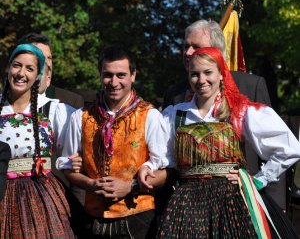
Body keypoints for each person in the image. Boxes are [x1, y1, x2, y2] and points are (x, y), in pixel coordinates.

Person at [140, 47, 300, 238]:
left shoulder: (241, 111)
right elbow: (165, 156)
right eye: (195, 74)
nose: (201, 80)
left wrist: (258, 179)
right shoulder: (176, 114)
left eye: (208, 73)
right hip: (187, 205)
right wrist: (149, 165)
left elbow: (289, 148)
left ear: (221, 74)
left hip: (231, 203)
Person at [162, 19, 288, 210]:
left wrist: (274, 206)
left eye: (196, 47)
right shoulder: (174, 95)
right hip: (189, 207)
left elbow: (275, 150)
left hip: (243, 203)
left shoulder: (251, 87)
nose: (188, 52)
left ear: (217, 54)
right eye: (186, 46)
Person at [56, 46, 168, 238]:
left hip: (138, 217)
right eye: (108, 75)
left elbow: (166, 172)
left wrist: (130, 186)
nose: (114, 82)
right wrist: (91, 184)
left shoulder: (150, 115)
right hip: (92, 218)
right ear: (100, 75)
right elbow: (68, 169)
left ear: (133, 76)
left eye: (121, 75)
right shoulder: (80, 117)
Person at [0, 44, 74, 238]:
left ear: (38, 76)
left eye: (29, 68)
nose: (21, 73)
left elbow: (71, 153)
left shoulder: (53, 111)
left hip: (40, 197)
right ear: (8, 68)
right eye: (17, 65)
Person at [18, 33, 85, 109]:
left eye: (49, 58)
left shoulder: (71, 102)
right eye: (41, 57)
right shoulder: (5, 102)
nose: (48, 64)